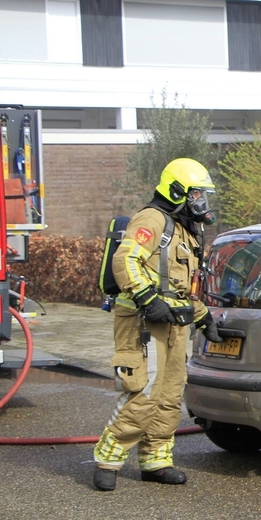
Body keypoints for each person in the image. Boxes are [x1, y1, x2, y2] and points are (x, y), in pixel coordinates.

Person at [93, 158, 223, 491]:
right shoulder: (151, 220)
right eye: (196, 195)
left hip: (174, 325)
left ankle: (156, 461)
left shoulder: (184, 229)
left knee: (169, 395)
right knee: (144, 393)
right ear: (177, 191)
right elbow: (126, 260)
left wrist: (202, 315)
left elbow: (177, 287)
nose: (201, 202)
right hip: (143, 322)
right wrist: (148, 299)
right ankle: (108, 459)